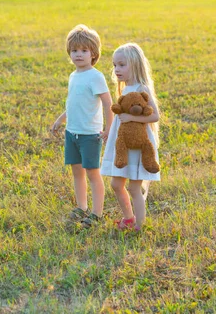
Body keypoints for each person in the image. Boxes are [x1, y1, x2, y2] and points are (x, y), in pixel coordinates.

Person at [51, 24, 113, 229]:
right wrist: (61, 119)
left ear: (93, 54)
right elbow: (74, 103)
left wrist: (108, 128)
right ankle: (81, 207)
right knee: (77, 171)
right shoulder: (73, 76)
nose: (79, 55)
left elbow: (107, 103)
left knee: (92, 173)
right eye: (74, 51)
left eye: (84, 51)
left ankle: (97, 213)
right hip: (72, 133)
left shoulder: (95, 76)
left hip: (90, 135)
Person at [101, 43, 161, 232]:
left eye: (121, 65)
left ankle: (140, 227)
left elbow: (154, 116)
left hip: (139, 145)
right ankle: (129, 218)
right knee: (116, 183)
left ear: (134, 65)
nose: (116, 69)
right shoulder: (124, 89)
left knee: (134, 188)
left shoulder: (142, 88)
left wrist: (131, 117)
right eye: (114, 65)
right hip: (123, 144)